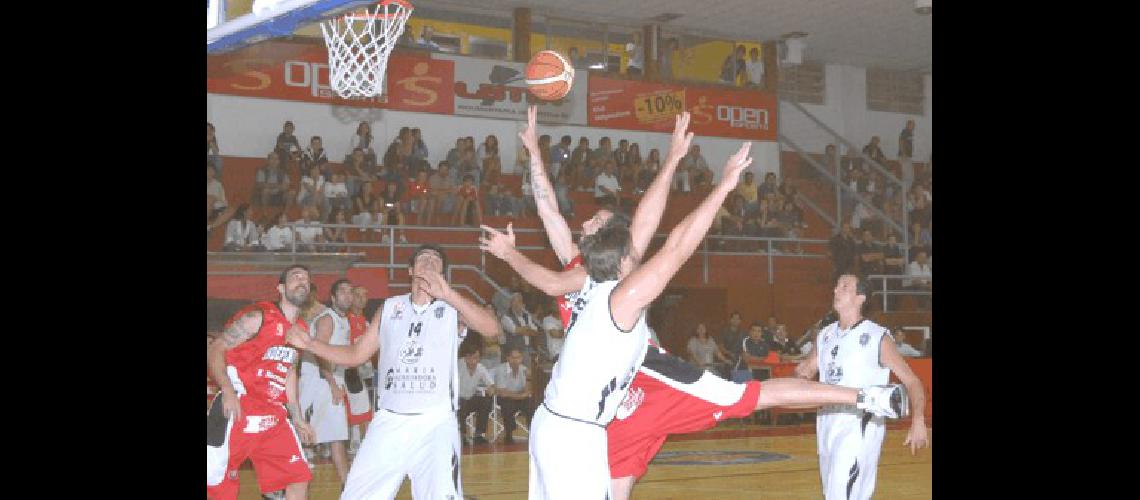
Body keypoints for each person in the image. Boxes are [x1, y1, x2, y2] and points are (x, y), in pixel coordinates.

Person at [481, 107, 907, 500]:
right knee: (626, 470)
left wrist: (679, 165)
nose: (586, 220)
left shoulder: (614, 284)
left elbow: (649, 225)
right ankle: (862, 396)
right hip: (600, 402)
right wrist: (533, 151)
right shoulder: (585, 271)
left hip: (637, 378)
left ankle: (863, 396)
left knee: (744, 398)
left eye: (597, 221)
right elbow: (551, 213)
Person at [285, 245, 502, 499]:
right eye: (423, 258)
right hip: (390, 420)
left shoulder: (453, 308)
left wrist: (450, 294)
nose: (430, 262)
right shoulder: (390, 308)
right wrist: (311, 344)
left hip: (436, 422)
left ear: (444, 272)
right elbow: (356, 354)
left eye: (436, 260)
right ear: (411, 270)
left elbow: (492, 330)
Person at [795, 274, 930, 500]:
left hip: (860, 423)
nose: (836, 290)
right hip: (827, 421)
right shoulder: (825, 335)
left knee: (841, 493)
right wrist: (802, 371)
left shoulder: (877, 336)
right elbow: (806, 370)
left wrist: (918, 421)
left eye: (845, 287)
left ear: (860, 298)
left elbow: (912, 381)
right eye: (836, 286)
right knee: (837, 493)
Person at [207, 265, 315, 500]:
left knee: (298, 478)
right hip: (238, 404)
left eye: (306, 279)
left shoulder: (301, 330)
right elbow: (216, 348)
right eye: (295, 277)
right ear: (281, 288)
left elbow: (289, 371)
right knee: (218, 484)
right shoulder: (259, 316)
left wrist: (297, 417)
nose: (302, 281)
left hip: (273, 414)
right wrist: (226, 388)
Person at [298, 279, 354, 486]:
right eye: (343, 291)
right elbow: (319, 351)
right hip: (318, 382)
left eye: (350, 292)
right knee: (303, 435)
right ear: (333, 297)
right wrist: (332, 384)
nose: (348, 295)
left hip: (331, 380)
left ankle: (347, 487)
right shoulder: (327, 319)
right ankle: (288, 484)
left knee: (337, 436)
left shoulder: (344, 320)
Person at [344, 285, 373, 453]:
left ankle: (358, 441)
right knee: (355, 407)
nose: (362, 299)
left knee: (364, 407)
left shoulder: (366, 322)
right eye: (358, 295)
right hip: (349, 370)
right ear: (351, 298)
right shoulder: (344, 321)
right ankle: (355, 442)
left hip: (365, 370)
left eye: (365, 295)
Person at [457, 342, 496, 445]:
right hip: (457, 400)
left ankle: (479, 434)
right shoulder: (457, 365)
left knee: (486, 400)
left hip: (470, 399)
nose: (473, 361)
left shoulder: (480, 368)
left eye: (476, 358)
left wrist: (491, 390)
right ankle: (462, 435)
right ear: (465, 357)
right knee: (461, 402)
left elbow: (491, 385)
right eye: (470, 358)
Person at [493, 348, 533, 445]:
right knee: (507, 404)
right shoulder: (500, 369)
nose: (515, 360)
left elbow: (527, 391)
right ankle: (509, 434)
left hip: (519, 396)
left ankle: (532, 432)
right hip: (504, 398)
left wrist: (528, 379)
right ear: (508, 358)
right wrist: (521, 395)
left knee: (531, 404)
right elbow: (503, 392)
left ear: (521, 358)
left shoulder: (524, 370)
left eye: (518, 358)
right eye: (513, 358)